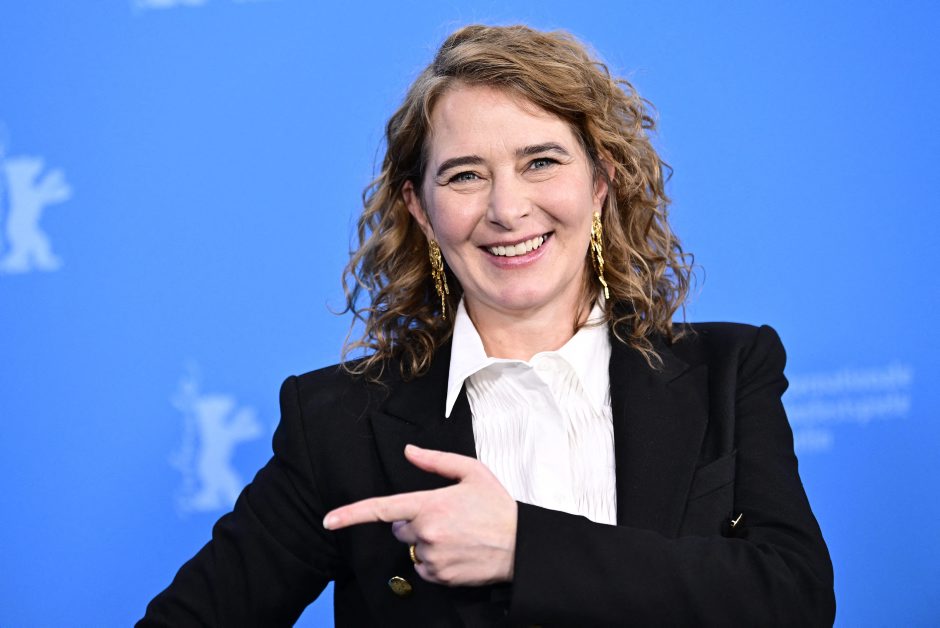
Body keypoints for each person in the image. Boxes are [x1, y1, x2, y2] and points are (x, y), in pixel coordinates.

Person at [139, 24, 835, 627]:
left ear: (600, 183)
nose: (507, 209)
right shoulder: (338, 425)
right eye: (465, 176)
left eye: (541, 162)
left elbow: (794, 599)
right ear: (420, 208)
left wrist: (524, 548)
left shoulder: (729, 369)